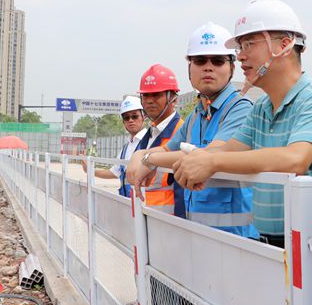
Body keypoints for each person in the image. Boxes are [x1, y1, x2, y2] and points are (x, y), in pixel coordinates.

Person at [171, 0, 312, 269]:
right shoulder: (262, 108)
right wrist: (157, 159)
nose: (241, 56)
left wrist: (210, 162)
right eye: (240, 47)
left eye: (249, 45)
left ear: (284, 44)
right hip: (271, 247)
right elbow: (224, 150)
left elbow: (295, 159)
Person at [126, 23, 256, 238]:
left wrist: (148, 159)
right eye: (200, 61)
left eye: (217, 61)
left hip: (236, 240)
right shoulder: (197, 115)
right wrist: (139, 154)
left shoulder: (240, 109)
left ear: (232, 68)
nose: (208, 67)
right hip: (197, 234)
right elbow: (167, 150)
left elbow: (209, 155)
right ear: (189, 68)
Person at [132, 64, 184, 216]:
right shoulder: (149, 133)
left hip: (169, 220)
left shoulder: (181, 131)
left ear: (173, 99)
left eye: (156, 95)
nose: (149, 101)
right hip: (145, 217)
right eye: (145, 96)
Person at [81, 96, 147, 197]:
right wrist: (89, 170)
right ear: (123, 121)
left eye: (135, 116)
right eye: (126, 118)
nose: (130, 120)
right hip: (127, 201)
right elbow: (115, 172)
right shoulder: (126, 148)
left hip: (144, 202)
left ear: (143, 116)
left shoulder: (150, 141)